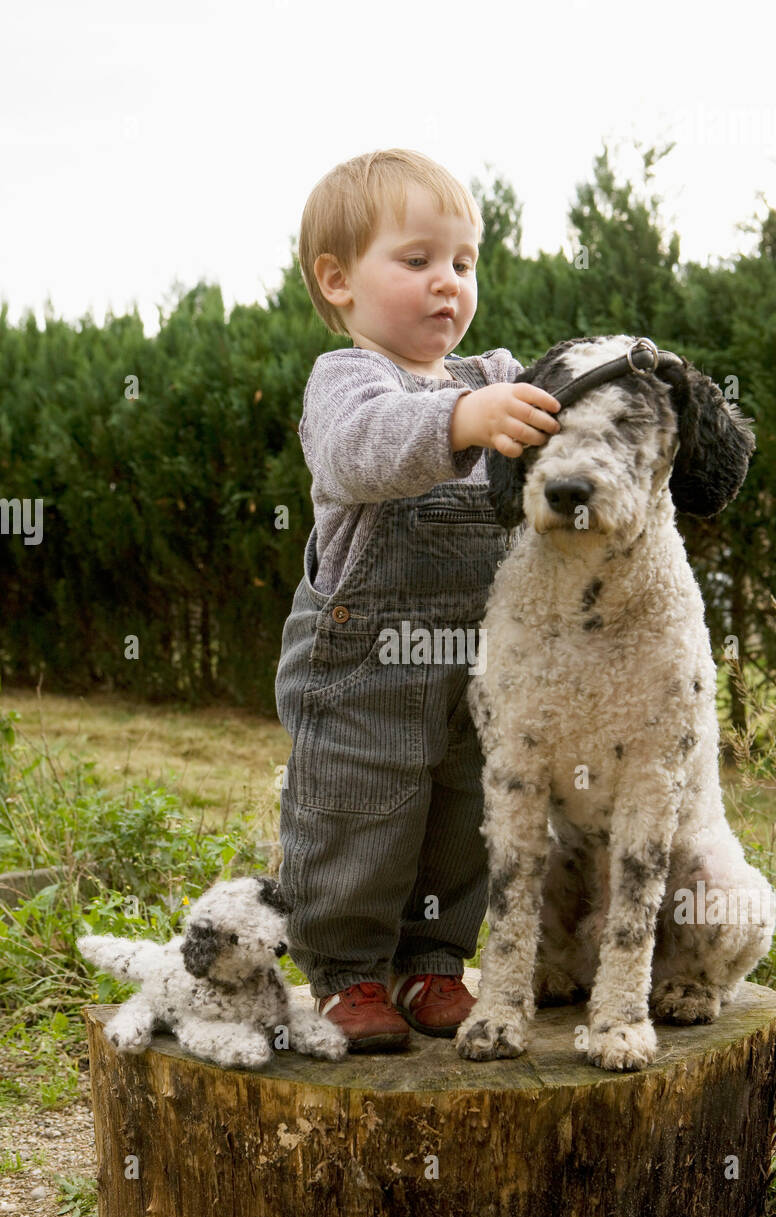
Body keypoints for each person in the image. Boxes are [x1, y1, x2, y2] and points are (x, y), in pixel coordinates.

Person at [275, 148, 562, 1050]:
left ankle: (433, 963)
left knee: (465, 814)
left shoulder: (495, 377)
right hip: (361, 669)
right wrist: (459, 424)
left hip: (476, 666)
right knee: (360, 810)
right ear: (339, 281)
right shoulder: (348, 381)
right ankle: (349, 973)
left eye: (464, 263)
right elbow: (360, 452)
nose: (449, 283)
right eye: (418, 261)